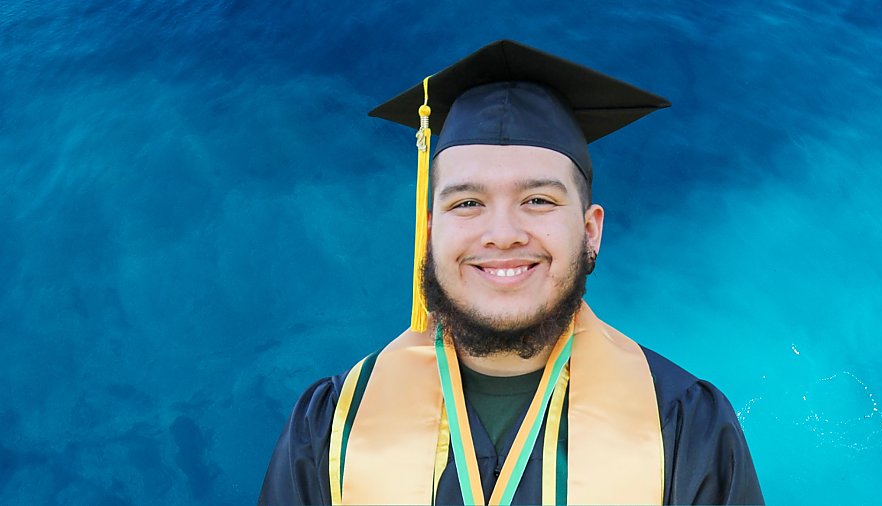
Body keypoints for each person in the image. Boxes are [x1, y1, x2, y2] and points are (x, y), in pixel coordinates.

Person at [259, 40, 764, 505]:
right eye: (468, 202)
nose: (502, 233)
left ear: (591, 231)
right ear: (429, 230)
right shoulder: (333, 430)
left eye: (537, 200)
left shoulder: (682, 427)